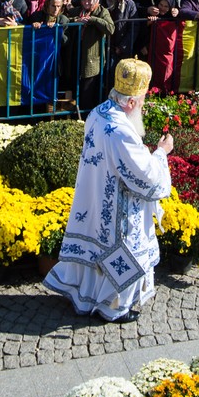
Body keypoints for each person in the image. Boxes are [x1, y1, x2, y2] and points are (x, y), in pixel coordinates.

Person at [44, 58, 174, 323]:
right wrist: (162, 153)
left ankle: (87, 296)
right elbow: (146, 176)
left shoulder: (98, 112)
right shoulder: (121, 130)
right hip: (117, 208)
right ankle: (113, 307)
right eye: (142, 100)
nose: (143, 105)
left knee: (96, 251)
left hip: (93, 199)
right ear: (130, 103)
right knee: (119, 251)